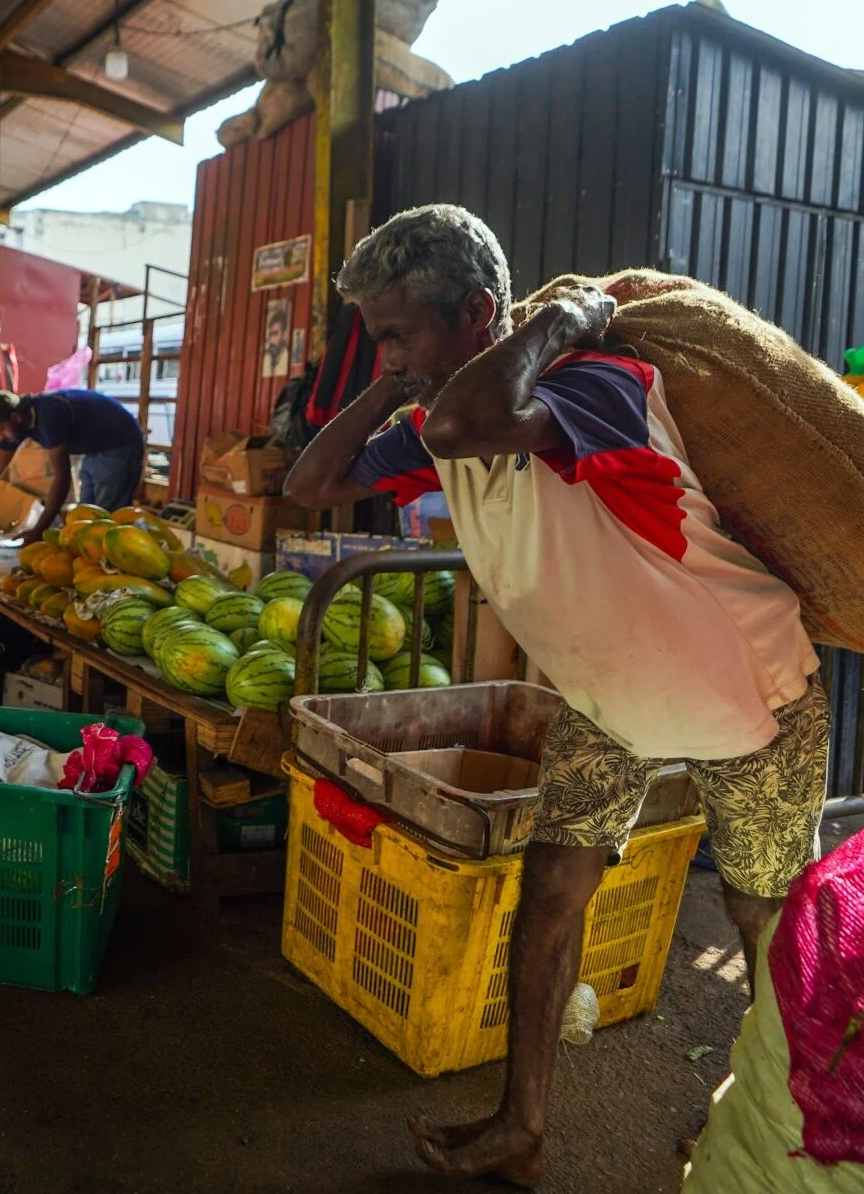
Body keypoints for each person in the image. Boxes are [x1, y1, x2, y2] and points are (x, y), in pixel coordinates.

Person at [283, 205, 826, 1188]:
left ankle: (777, 1138)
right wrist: (381, 382)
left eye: (399, 330)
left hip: (749, 687)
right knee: (550, 890)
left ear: (480, 313)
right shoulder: (448, 418)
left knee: (763, 922)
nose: (390, 351)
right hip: (608, 698)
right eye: (379, 336)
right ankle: (518, 1125)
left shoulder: (595, 383)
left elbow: (464, 417)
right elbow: (310, 479)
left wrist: (569, 316)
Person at [0, 389, 143, 541]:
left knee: (107, 524)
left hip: (119, 445)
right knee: (87, 520)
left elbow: (62, 478)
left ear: (15, 417)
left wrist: (39, 530)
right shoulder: (17, 425)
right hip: (94, 450)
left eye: (3, 429)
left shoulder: (48, 416)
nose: (2, 436)